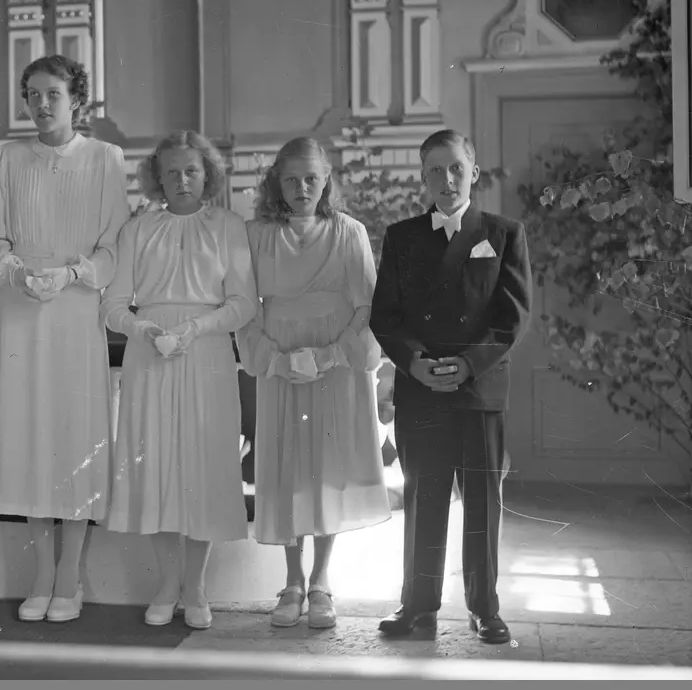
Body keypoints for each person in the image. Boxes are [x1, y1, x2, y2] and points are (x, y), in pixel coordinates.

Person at [0, 55, 130, 623]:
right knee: (29, 437)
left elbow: (114, 246)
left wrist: (72, 274)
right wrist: (17, 273)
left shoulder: (105, 158)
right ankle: (42, 573)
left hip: (74, 310)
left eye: (53, 94)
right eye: (33, 94)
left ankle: (70, 574)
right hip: (21, 311)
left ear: (77, 101)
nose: (42, 105)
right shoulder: (10, 157)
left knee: (72, 434)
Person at [370, 129, 531, 645]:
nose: (447, 179)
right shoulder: (402, 237)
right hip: (421, 387)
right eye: (435, 170)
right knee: (423, 498)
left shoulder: (504, 233)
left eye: (456, 167)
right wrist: (414, 363)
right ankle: (417, 608)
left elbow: (512, 317)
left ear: (474, 172)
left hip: (479, 389)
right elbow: (386, 315)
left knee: (482, 502)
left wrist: (468, 364)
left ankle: (485, 608)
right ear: (423, 177)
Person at [102, 131, 256, 630]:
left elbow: (243, 303)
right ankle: (167, 585)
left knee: (202, 467)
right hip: (150, 357)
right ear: (157, 178)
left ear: (207, 174)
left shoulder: (229, 226)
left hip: (207, 354)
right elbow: (112, 305)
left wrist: (196, 327)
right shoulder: (137, 230)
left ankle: (196, 587)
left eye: (191, 170)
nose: (182, 179)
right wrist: (144, 329)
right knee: (156, 466)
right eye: (171, 172)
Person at [237, 138, 390, 630]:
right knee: (287, 465)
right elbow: (244, 307)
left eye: (311, 179)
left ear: (326, 180)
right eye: (291, 179)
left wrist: (330, 355)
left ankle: (322, 580)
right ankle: (292, 581)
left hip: (335, 361)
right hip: (280, 357)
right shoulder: (256, 236)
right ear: (276, 183)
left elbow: (367, 306)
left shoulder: (349, 232)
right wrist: (275, 361)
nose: (302, 188)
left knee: (326, 464)